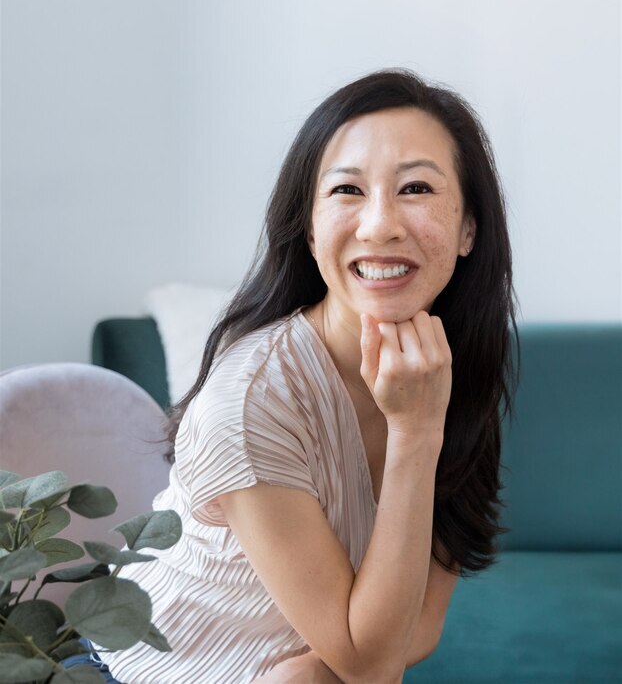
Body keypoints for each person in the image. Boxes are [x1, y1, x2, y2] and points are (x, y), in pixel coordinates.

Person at [102, 68, 519, 684]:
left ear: (468, 230)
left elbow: (417, 629)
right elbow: (372, 666)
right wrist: (415, 435)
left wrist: (324, 669)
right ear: (310, 227)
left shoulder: (443, 369)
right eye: (347, 190)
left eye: (416, 188)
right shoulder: (250, 400)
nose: (379, 225)